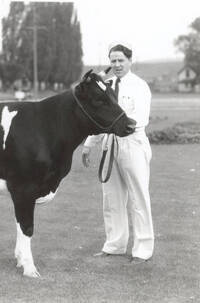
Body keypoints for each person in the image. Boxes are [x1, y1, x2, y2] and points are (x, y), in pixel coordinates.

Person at [82, 41, 154, 264]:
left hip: (132, 143)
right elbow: (98, 116)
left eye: (121, 60)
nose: (117, 64)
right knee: (111, 198)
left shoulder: (140, 86)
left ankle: (142, 249)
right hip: (109, 143)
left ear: (130, 61)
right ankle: (114, 245)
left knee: (138, 197)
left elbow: (139, 120)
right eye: (113, 61)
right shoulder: (107, 85)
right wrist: (89, 143)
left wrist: (116, 126)